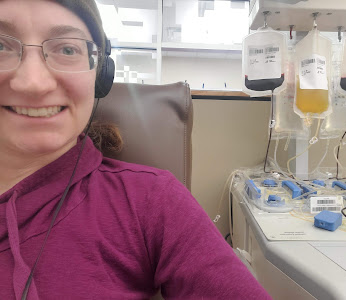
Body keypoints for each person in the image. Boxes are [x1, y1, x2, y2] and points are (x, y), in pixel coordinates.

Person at [0, 0, 272, 299]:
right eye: (1, 46)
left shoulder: (152, 201)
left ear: (101, 75)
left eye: (67, 50)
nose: (33, 83)